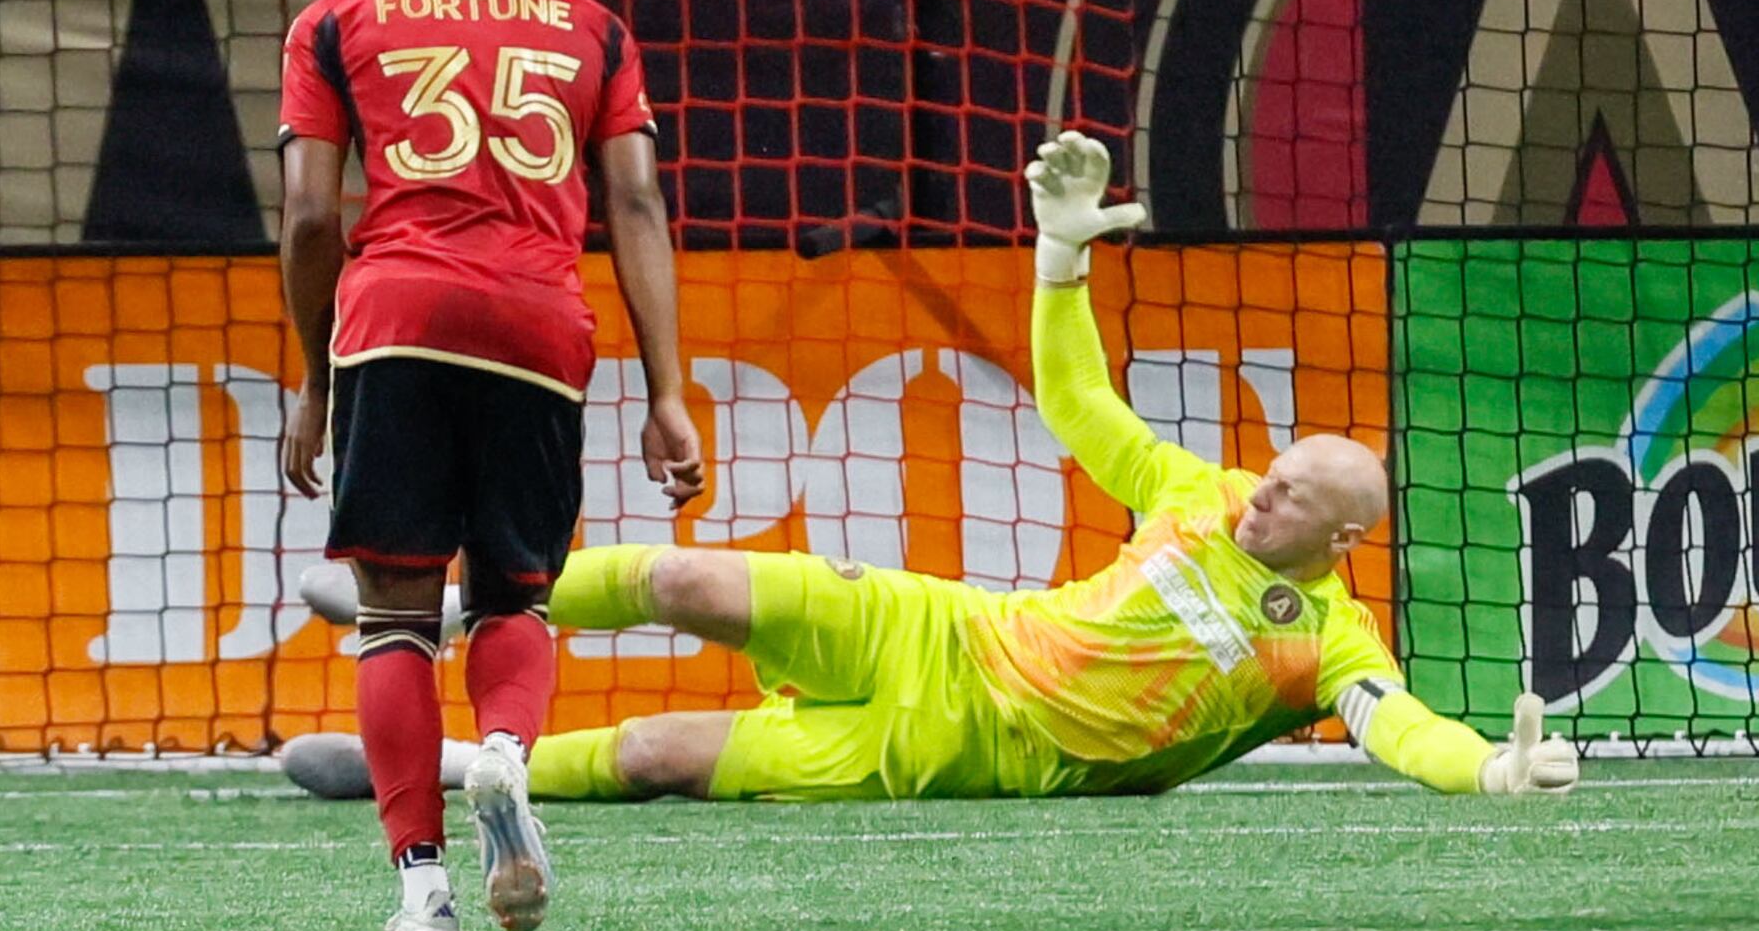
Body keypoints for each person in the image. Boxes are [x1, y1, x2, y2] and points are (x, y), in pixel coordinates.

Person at [516, 132, 1578, 804]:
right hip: (948, 628)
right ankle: (455, 601)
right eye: (1271, 472)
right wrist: (1060, 260)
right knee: (681, 578)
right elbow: (1080, 401)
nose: (1260, 491)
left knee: (657, 753)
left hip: (961, 749)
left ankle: (443, 770)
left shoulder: (1328, 650)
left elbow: (1402, 728)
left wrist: (1486, 768)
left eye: (1291, 494)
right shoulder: (1198, 492)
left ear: (1343, 539)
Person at [276, 0, 707, 931]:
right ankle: (507, 749)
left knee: (395, 620)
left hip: (395, 317)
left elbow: (316, 215)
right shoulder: (592, 27)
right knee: (516, 599)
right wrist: (669, 391)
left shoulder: (335, 20)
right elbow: (634, 205)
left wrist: (316, 374)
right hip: (535, 322)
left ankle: (423, 898)